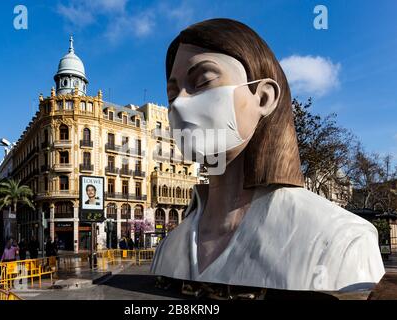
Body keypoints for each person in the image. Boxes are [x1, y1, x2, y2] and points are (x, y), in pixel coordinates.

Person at [151, 18, 385, 292]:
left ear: (263, 98)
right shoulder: (168, 249)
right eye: (171, 95)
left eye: (202, 81)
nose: (179, 104)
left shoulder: (340, 240)